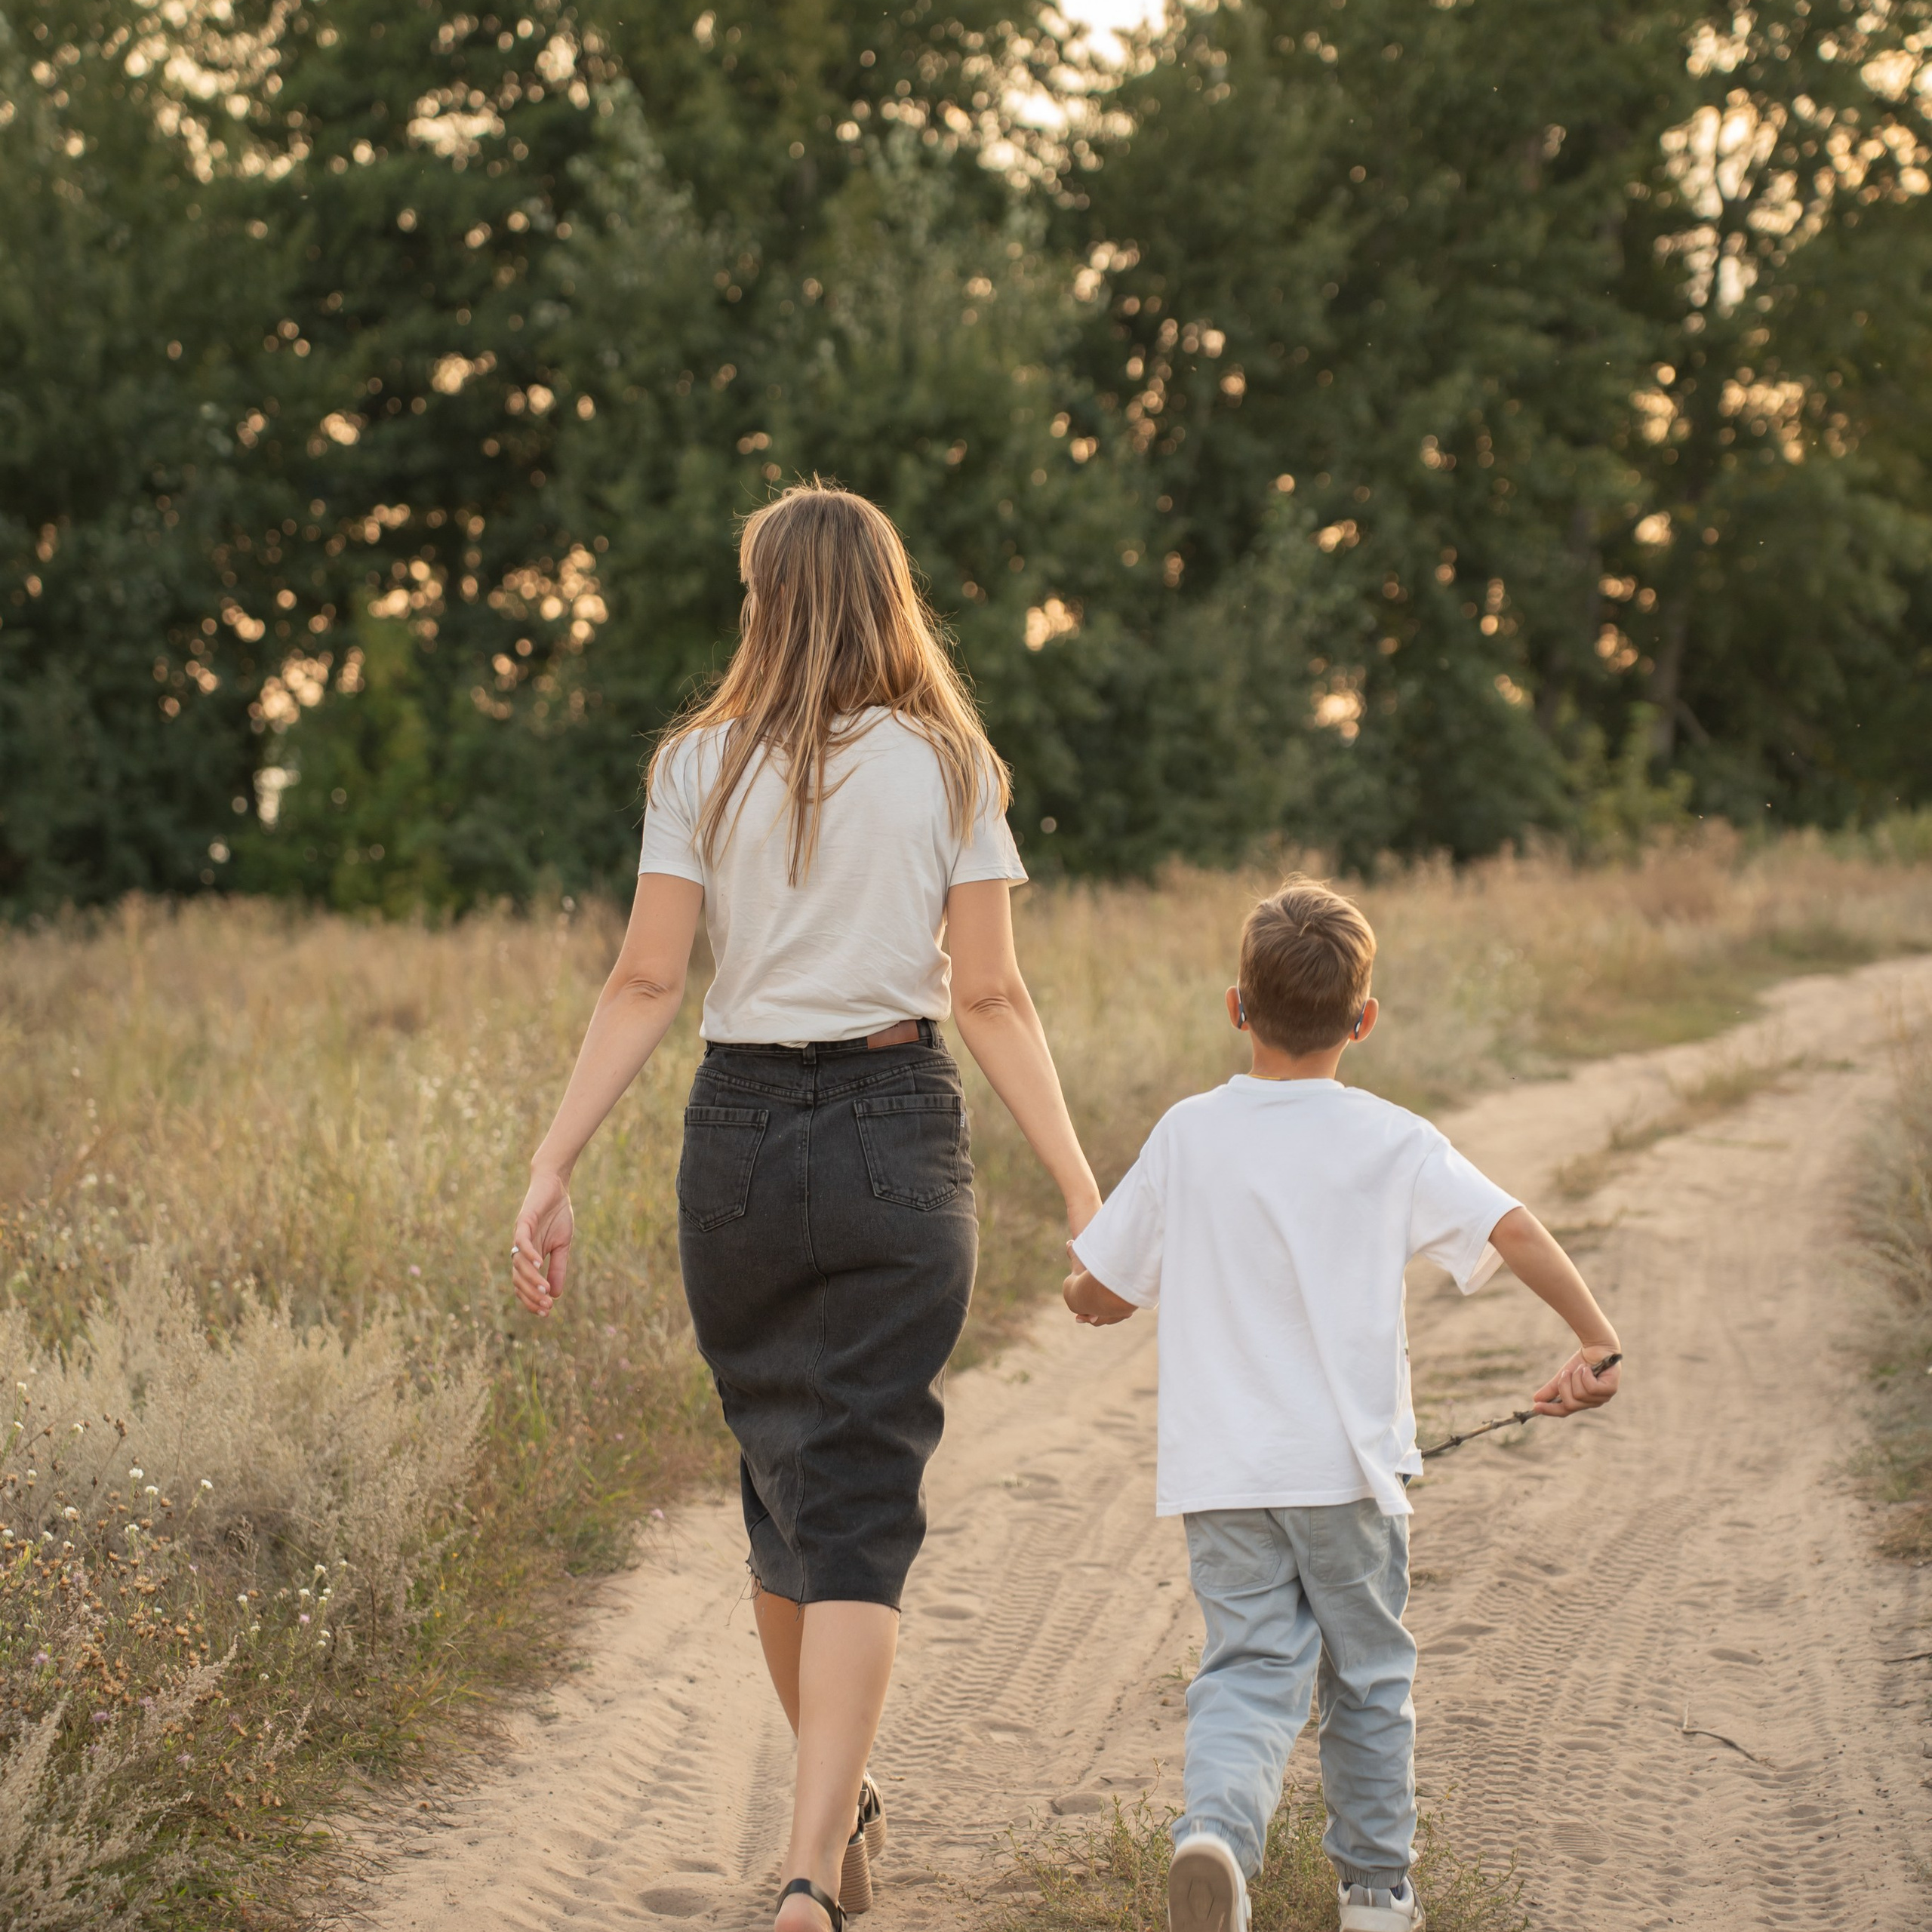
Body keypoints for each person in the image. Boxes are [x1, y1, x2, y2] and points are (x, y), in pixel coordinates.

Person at [509, 481, 1100, 1932]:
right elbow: (991, 995)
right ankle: (818, 1852)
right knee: (846, 1498)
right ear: (892, 597)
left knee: (790, 1483)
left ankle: (810, 1855)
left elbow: (646, 980)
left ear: (767, 600)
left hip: (743, 1141)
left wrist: (554, 1161)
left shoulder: (696, 765)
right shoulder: (956, 766)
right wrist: (1089, 1189)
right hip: (900, 1127)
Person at [1060, 876, 1621, 1932]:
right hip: (1351, 1479)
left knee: (1249, 1668)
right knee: (1365, 1679)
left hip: (1225, 1480)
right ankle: (1372, 1891)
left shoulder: (1189, 1133)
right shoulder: (1394, 1140)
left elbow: (1103, 1293)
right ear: (1363, 1021)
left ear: (1236, 1007)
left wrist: (1079, 1285)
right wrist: (1595, 1340)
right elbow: (1513, 1229)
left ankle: (1217, 1840)